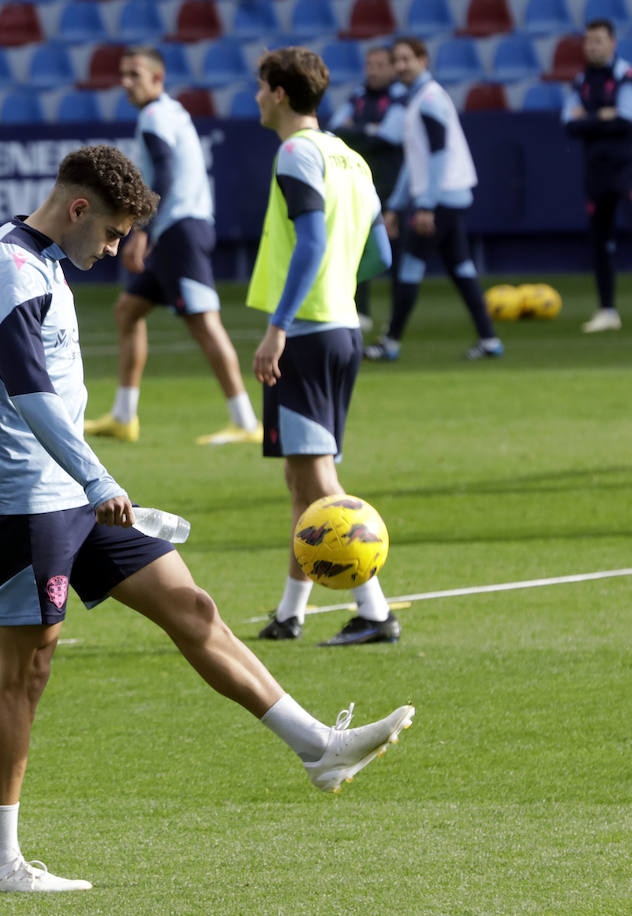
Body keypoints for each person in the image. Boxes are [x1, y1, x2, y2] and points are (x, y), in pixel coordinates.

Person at [0, 144, 414, 893]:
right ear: (79, 209)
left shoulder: (45, 265)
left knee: (192, 606)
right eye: (110, 235)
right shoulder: (7, 271)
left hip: (72, 494)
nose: (113, 250)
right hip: (25, 503)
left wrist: (90, 483)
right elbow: (29, 392)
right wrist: (98, 475)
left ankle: (318, 748)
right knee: (25, 673)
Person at [245, 48, 401, 648]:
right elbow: (380, 255)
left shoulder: (296, 153)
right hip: (343, 329)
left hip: (306, 334)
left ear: (280, 93)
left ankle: (375, 610)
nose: (257, 96)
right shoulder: (353, 160)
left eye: (261, 86)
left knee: (318, 478)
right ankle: (290, 614)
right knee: (300, 482)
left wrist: (279, 325)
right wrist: (340, 281)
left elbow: (310, 241)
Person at [83, 46, 261, 446]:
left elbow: (162, 170)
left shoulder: (154, 116)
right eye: (124, 74)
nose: (126, 83)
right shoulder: (172, 111)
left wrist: (141, 229)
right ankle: (124, 416)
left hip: (178, 232)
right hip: (176, 229)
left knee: (204, 323)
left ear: (157, 79)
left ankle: (246, 421)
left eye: (135, 75)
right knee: (127, 311)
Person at [365, 37, 503, 363]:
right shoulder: (421, 99)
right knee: (462, 268)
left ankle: (391, 342)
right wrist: (396, 206)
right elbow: (415, 163)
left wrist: (425, 205)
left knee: (410, 268)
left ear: (423, 60)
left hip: (440, 200)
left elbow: (438, 155)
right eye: (396, 60)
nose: (400, 66)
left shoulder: (426, 100)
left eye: (406, 59)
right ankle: (489, 339)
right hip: (449, 197)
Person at [564, 18, 632, 333]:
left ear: (612, 43)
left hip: (628, 166)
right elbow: (568, 124)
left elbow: (627, 119)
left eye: (598, 40)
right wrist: (601, 116)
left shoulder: (626, 76)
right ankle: (607, 310)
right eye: (588, 41)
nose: (592, 46)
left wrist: (589, 118)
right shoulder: (581, 81)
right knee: (600, 238)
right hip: (596, 168)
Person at [327, 46, 405, 334]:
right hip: (360, 184)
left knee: (395, 252)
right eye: (369, 64)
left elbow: (390, 136)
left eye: (379, 64)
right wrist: (369, 130)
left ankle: (397, 318)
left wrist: (358, 131)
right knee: (357, 249)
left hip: (392, 186)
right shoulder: (357, 96)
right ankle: (360, 311)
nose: (372, 70)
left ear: (392, 68)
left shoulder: (399, 97)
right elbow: (336, 130)